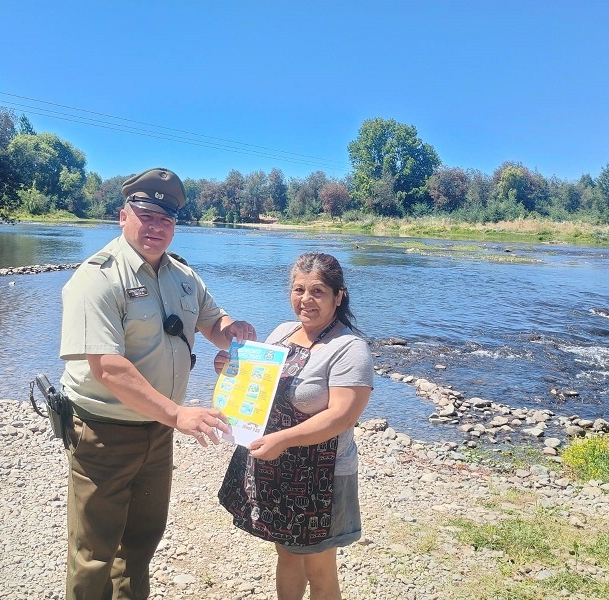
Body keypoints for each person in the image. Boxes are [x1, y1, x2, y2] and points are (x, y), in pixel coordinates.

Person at [58, 167, 257, 600]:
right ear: (122, 215)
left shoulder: (183, 276)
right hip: (103, 434)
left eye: (166, 219)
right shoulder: (97, 277)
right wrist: (180, 414)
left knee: (140, 546)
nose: (156, 227)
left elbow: (212, 322)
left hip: (159, 432)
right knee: (94, 554)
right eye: (146, 215)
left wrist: (233, 332)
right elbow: (108, 367)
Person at [217, 252, 374, 600]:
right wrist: (229, 371)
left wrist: (283, 440)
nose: (306, 300)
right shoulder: (283, 332)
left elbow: (343, 416)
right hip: (276, 469)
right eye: (298, 289)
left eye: (318, 291)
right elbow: (257, 385)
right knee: (286, 554)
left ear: (338, 296)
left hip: (321, 478)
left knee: (319, 568)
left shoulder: (350, 349)